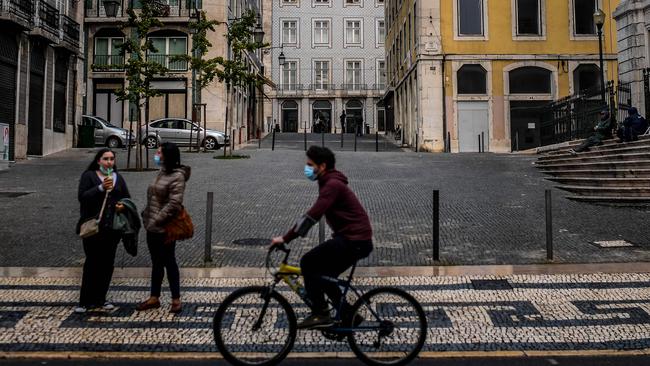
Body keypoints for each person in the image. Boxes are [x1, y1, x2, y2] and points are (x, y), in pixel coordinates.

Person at [271, 146, 373, 329]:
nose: (306, 168)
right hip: (355, 239)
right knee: (324, 277)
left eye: (310, 164)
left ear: (322, 166)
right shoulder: (329, 181)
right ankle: (349, 315)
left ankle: (320, 313)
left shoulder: (332, 185)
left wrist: (286, 238)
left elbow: (313, 215)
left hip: (354, 240)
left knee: (309, 262)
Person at [137, 142, 191, 314]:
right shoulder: (162, 172)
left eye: (159, 152)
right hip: (152, 226)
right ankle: (154, 297)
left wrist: (157, 220)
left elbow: (174, 203)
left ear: (168, 156)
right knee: (156, 263)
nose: (156, 154)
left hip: (164, 228)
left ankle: (176, 300)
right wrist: (146, 214)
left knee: (169, 262)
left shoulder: (177, 176)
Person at [76, 148, 131, 313]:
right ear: (98, 161)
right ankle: (85, 300)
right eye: (105, 159)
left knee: (107, 265)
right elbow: (82, 197)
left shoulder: (118, 178)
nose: (109, 162)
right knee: (92, 263)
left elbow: (126, 197)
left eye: (112, 159)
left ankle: (101, 298)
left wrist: (122, 205)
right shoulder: (89, 176)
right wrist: (100, 188)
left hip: (111, 230)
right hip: (93, 228)